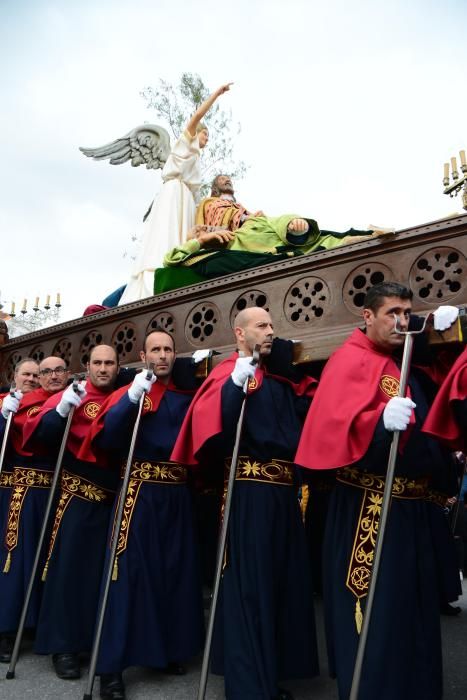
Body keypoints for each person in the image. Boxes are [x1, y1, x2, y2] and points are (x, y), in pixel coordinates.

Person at [294, 282, 459, 700]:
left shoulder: (404, 357)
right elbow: (331, 428)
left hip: (412, 508)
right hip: (369, 507)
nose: (402, 322)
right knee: (373, 613)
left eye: (408, 313)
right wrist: (377, 422)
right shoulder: (350, 360)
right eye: (393, 314)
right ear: (367, 316)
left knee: (414, 611)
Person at [171, 307, 320, 700]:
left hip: (285, 493)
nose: (271, 331)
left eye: (273, 325)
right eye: (262, 326)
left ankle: (268, 673)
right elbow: (209, 432)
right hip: (249, 490)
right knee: (250, 585)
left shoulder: (278, 374)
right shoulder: (228, 374)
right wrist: (233, 391)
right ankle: (247, 685)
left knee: (281, 584)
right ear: (240, 333)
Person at [84, 329, 204, 700]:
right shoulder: (130, 393)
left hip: (177, 495)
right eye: (155, 350)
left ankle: (163, 651)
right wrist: (131, 399)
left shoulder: (186, 394)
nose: (163, 356)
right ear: (143, 354)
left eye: (168, 349)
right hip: (139, 493)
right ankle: (110, 670)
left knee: (173, 573)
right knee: (126, 577)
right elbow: (105, 439)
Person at [21, 345, 119, 680]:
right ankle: (63, 646)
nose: (103, 368)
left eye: (109, 363)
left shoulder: (126, 393)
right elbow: (42, 435)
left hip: (116, 499)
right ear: (87, 366)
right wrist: (60, 410)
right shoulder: (74, 394)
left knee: (107, 575)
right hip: (77, 497)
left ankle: (95, 641)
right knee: (69, 572)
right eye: (97, 363)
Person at [118, 83, 233, 304]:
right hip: (174, 195)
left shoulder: (197, 157)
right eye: (205, 134)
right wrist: (216, 95)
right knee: (166, 237)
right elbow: (198, 115)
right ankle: (154, 281)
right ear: (197, 132)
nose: (207, 139)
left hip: (187, 198)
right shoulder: (184, 143)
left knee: (183, 239)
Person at [0, 355, 69, 663]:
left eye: (58, 371)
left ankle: (37, 621)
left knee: (48, 560)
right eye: (30, 374)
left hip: (59, 489)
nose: (32, 379)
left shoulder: (69, 396)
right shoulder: (22, 403)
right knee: (18, 558)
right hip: (27, 490)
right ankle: (5, 629)